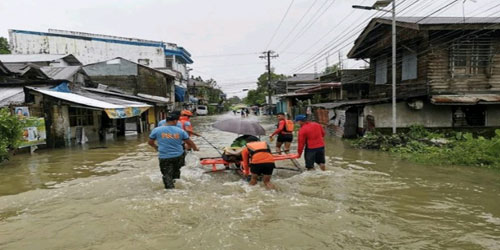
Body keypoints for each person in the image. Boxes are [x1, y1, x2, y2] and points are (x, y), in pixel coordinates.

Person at [148, 113, 199, 189]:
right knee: (176, 171)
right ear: (175, 121)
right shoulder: (180, 131)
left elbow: (150, 142)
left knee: (167, 175)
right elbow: (189, 142)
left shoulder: (156, 130)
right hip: (178, 156)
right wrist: (195, 148)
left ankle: (170, 191)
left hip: (164, 157)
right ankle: (177, 185)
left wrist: (156, 147)